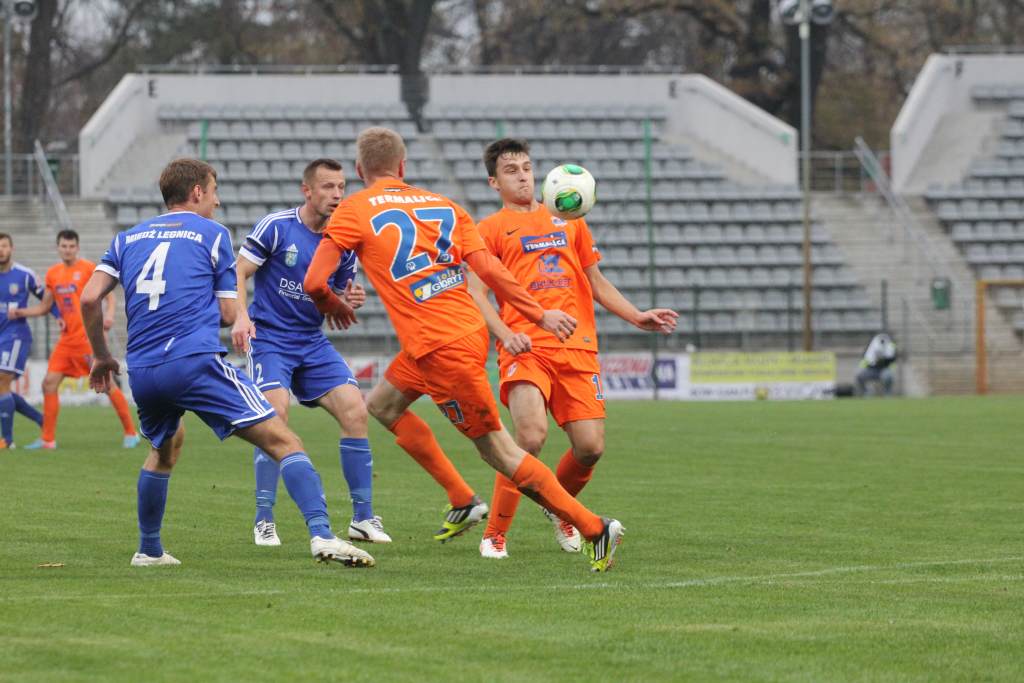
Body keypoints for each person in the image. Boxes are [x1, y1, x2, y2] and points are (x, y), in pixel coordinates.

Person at [304, 127, 625, 572]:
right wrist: (538, 313)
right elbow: (489, 270)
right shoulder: (445, 206)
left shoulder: (353, 209)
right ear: (403, 167)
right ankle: (460, 497)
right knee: (383, 404)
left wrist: (332, 304)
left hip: (440, 346)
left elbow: (314, 283)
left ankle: (591, 528)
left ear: (359, 171)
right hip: (459, 332)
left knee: (502, 451)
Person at [80, 158, 374, 568]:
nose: (217, 203)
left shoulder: (126, 238)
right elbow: (225, 311)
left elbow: (89, 298)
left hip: (142, 370)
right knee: (284, 440)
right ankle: (323, 535)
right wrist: (233, 314)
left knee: (165, 450)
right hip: (193, 362)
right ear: (197, 192)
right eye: (214, 192)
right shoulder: (212, 234)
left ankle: (148, 550)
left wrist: (100, 355)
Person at [469, 138, 678, 559]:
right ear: (494, 181)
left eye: (528, 166)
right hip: (526, 346)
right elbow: (475, 292)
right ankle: (495, 535)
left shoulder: (570, 219)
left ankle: (562, 512)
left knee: (590, 448)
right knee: (529, 437)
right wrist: (504, 335)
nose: (523, 175)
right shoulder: (488, 230)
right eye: (512, 170)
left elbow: (596, 282)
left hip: (578, 348)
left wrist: (636, 316)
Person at [231, 158, 391, 547]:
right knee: (275, 416)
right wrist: (239, 317)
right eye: (328, 187)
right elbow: (238, 270)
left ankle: (362, 517)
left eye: (341, 187)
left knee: (355, 409)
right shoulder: (277, 226)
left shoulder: (343, 241)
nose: (337, 194)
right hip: (269, 339)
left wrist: (348, 297)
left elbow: (331, 298)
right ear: (307, 190)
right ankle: (264, 519)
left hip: (311, 341)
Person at [11, 229, 139, 450]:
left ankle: (131, 432)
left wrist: (108, 316)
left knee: (106, 385)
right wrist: (22, 313)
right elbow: (45, 306)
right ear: (58, 248)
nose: (67, 250)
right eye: (64, 246)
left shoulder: (89, 269)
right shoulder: (53, 273)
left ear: (77, 248)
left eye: (71, 246)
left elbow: (109, 296)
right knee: (48, 384)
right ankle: (47, 440)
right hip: (66, 341)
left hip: (88, 339)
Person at [0, 233, 50, 448]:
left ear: (12, 248)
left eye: (4, 246)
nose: (1, 250)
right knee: (2, 388)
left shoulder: (24, 275)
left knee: (2, 379)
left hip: (16, 335)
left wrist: (60, 318)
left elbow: (47, 299)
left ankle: (7, 440)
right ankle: (42, 421)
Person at [856, 332, 897, 396]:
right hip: (872, 370)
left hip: (884, 369)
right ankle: (865, 393)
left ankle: (888, 394)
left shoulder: (890, 346)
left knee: (888, 376)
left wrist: (883, 360)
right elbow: (868, 359)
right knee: (859, 375)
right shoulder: (872, 346)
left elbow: (891, 359)